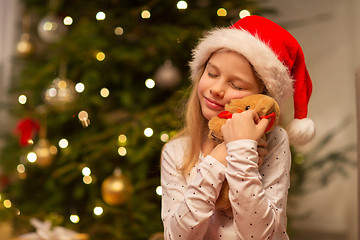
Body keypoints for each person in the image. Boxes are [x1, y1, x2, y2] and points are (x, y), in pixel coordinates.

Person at [160, 15, 315, 240]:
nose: (217, 89)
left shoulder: (275, 141)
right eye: (212, 74)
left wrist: (242, 151)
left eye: (236, 85)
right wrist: (219, 158)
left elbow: (262, 236)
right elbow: (177, 237)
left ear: (261, 99)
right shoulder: (176, 152)